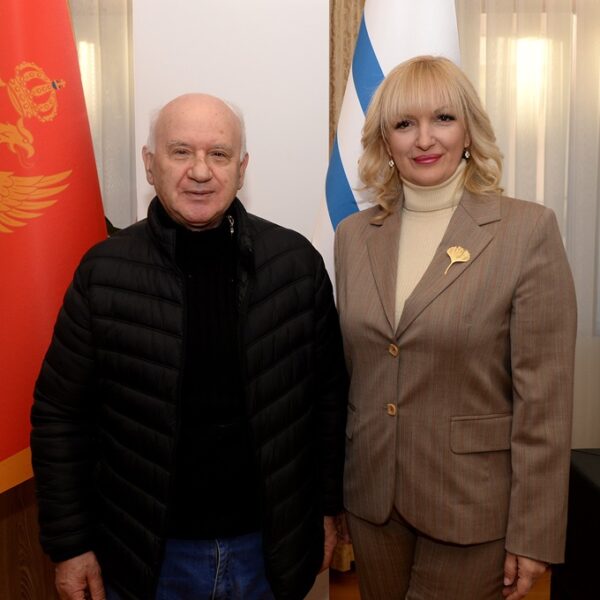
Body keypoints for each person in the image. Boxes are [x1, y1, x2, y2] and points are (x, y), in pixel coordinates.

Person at [31, 93, 348, 600]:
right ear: (149, 164)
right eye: (181, 151)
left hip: (266, 554)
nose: (200, 171)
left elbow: (328, 402)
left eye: (218, 154)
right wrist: (70, 545)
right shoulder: (103, 273)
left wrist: (328, 512)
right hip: (143, 559)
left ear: (241, 169)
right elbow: (60, 417)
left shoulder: (296, 266)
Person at [334, 56, 577, 600]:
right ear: (385, 140)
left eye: (442, 118)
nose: (424, 139)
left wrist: (534, 532)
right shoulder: (353, 235)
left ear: (468, 130)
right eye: (404, 123)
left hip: (473, 505)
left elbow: (544, 400)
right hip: (372, 502)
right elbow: (353, 373)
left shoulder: (526, 230)